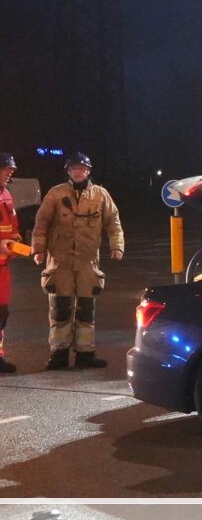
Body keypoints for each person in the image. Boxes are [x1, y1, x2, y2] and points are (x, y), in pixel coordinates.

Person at [31, 152, 124, 369]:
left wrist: (117, 246)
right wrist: (38, 249)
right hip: (59, 262)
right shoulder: (55, 194)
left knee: (86, 309)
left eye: (82, 168)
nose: (78, 172)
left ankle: (85, 353)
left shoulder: (101, 195)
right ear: (68, 171)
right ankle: (59, 354)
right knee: (60, 309)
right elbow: (41, 223)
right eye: (74, 168)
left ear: (88, 171)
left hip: (87, 263)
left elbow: (113, 222)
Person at [0, 153, 21, 373]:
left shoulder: (6, 195)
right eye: (6, 169)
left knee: (1, 315)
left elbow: (12, 226)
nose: (10, 173)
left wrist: (15, 240)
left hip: (3, 269)